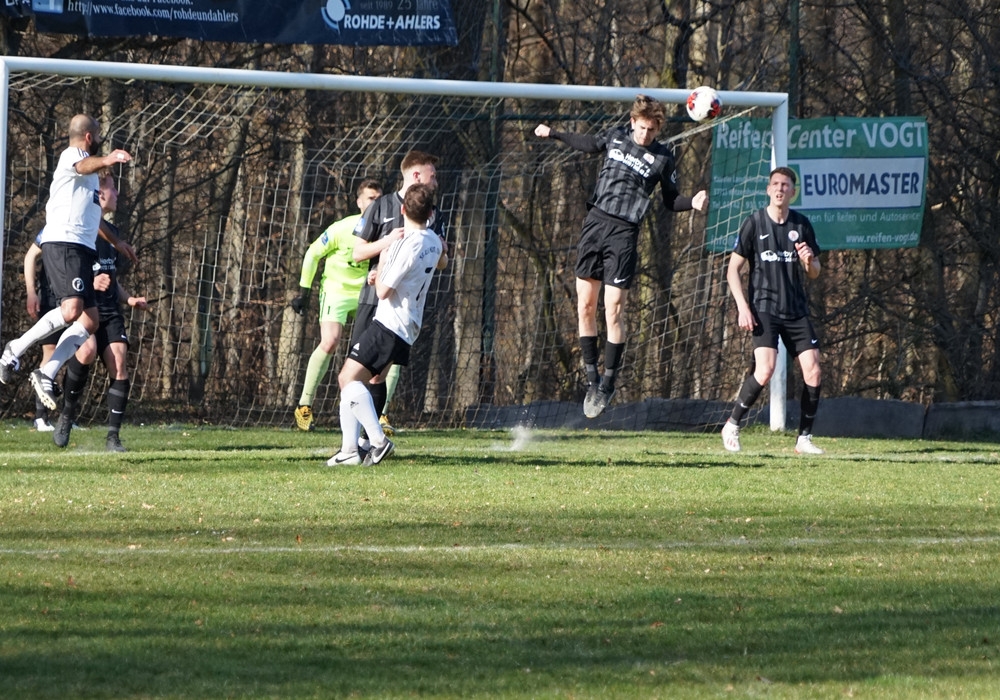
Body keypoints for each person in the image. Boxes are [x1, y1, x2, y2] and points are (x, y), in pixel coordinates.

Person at [534, 94, 708, 418]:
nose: (646, 135)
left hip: (624, 233)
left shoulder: (663, 158)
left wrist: (692, 203)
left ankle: (608, 383)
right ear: (633, 122)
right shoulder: (616, 137)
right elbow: (589, 144)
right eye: (642, 128)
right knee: (585, 306)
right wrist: (554, 133)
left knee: (613, 310)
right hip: (595, 224)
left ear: (658, 130)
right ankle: (592, 381)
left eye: (652, 130)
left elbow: (671, 200)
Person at [0, 114, 136, 409]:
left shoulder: (88, 181)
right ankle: (15, 349)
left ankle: (46, 373)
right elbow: (82, 165)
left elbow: (94, 218)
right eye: (97, 134)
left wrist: (117, 243)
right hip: (65, 244)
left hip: (81, 249)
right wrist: (109, 158)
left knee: (90, 320)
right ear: (89, 137)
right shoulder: (73, 156)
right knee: (72, 310)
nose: (99, 139)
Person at [328, 183, 448, 467]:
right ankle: (349, 451)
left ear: (403, 209)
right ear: (431, 214)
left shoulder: (406, 244)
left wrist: (382, 260)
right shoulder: (433, 239)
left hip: (389, 323)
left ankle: (378, 441)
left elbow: (383, 291)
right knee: (367, 380)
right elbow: (442, 262)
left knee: (347, 379)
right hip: (409, 326)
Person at [720, 166, 824, 455]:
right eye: (775, 184)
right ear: (768, 190)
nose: (780, 189)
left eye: (785, 185)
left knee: (814, 371)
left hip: (796, 309)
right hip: (764, 307)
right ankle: (732, 425)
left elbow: (815, 271)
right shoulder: (754, 223)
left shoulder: (802, 225)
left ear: (793, 192)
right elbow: (732, 270)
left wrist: (809, 261)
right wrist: (743, 307)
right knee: (765, 369)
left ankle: (804, 439)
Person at [349, 150, 443, 435]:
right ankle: (357, 439)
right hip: (372, 300)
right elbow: (357, 252)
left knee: (376, 377)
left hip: (397, 308)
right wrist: (386, 246)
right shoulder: (381, 206)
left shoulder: (432, 213)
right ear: (416, 175)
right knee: (354, 374)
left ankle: (367, 438)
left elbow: (441, 260)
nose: (435, 182)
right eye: (432, 176)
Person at [53, 171, 147, 452]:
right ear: (99, 193)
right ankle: (67, 415)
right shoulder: (80, 228)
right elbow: (68, 269)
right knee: (86, 350)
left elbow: (111, 279)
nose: (117, 194)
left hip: (109, 310)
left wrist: (129, 300)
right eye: (113, 188)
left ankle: (113, 438)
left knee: (119, 361)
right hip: (85, 305)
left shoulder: (113, 234)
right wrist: (90, 283)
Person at [290, 179, 383, 432]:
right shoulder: (342, 228)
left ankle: (381, 414)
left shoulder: (386, 232)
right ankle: (304, 405)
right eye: (371, 198)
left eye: (379, 199)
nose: (375, 204)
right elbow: (313, 254)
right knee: (330, 341)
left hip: (369, 292)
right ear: (359, 202)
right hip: (336, 291)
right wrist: (304, 291)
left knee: (383, 349)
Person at [23, 231, 63, 431]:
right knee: (51, 351)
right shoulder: (52, 227)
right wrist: (31, 292)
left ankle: (68, 417)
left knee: (82, 352)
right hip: (51, 298)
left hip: (77, 295)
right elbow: (30, 255)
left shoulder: (89, 227)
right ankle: (41, 418)